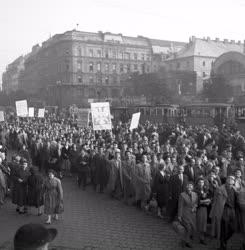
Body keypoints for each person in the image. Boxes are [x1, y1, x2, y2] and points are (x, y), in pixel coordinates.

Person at [178, 182, 198, 248]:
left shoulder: (195, 194)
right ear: (186, 187)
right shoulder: (182, 195)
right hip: (185, 213)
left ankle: (186, 240)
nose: (189, 187)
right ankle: (186, 242)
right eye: (188, 186)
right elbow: (180, 206)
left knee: (193, 228)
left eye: (191, 186)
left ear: (193, 187)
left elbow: (196, 203)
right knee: (188, 228)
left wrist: (194, 207)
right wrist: (179, 216)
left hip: (193, 214)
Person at [195, 177, 211, 245]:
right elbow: (197, 201)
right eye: (199, 182)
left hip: (205, 209)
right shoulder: (195, 190)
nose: (201, 184)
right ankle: (199, 238)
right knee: (199, 223)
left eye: (202, 182)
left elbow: (209, 200)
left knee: (204, 223)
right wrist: (205, 201)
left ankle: (202, 237)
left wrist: (206, 201)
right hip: (198, 209)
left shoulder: (205, 190)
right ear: (197, 183)